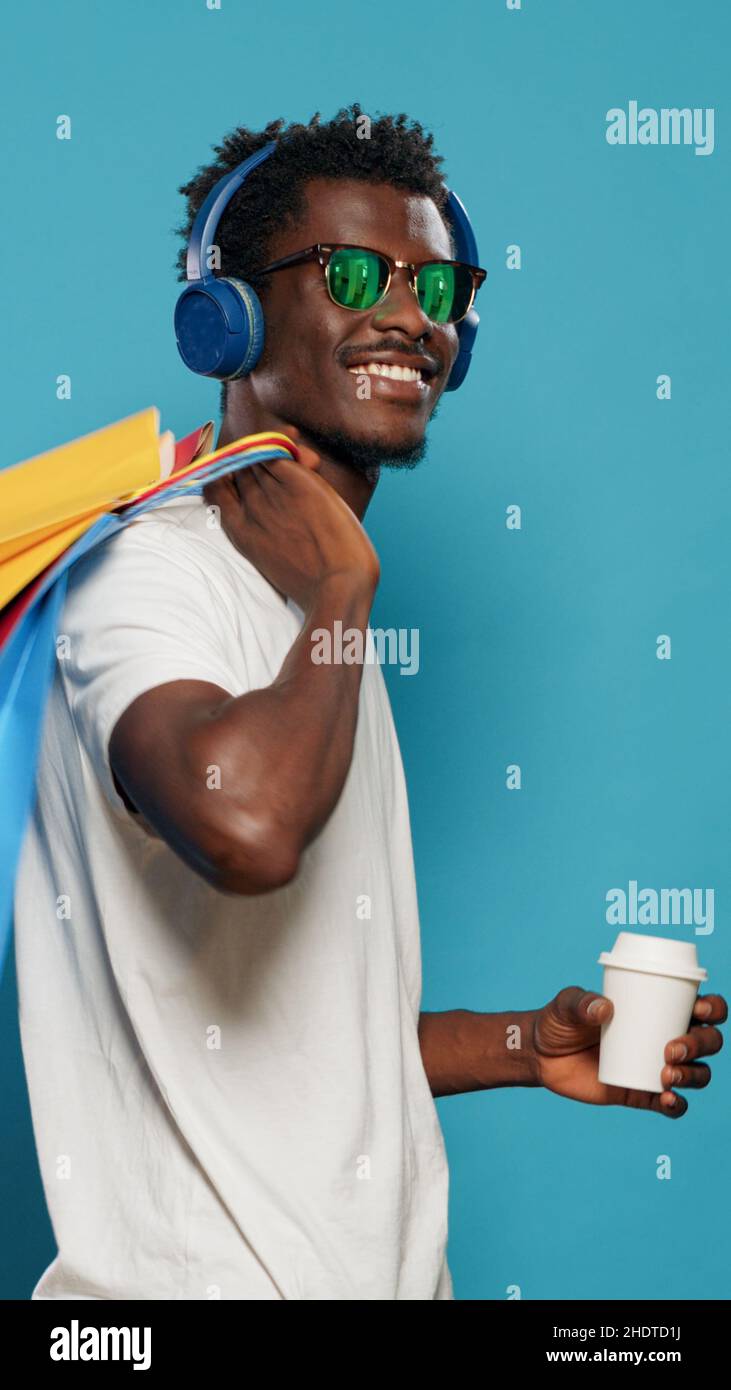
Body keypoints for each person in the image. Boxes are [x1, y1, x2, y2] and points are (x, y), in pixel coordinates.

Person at [13, 106, 726, 1301]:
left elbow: (290, 1045)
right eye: (353, 274)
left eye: (435, 286)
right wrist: (345, 586)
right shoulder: (149, 575)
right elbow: (247, 830)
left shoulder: (315, 612)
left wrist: (519, 1044)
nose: (409, 317)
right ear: (223, 316)